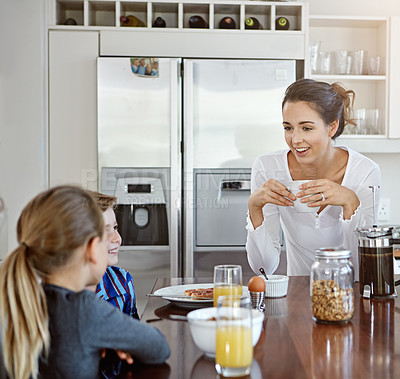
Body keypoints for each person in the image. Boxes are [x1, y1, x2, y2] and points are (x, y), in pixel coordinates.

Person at [0, 186, 170, 379]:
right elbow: (158, 347)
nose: (117, 238)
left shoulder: (21, 296)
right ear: (91, 249)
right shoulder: (85, 309)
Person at [246, 79, 381, 279]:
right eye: (288, 128)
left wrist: (350, 202)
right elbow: (264, 268)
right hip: (296, 296)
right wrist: (254, 208)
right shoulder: (267, 168)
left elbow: (364, 268)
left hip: (347, 297)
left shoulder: (364, 171)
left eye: (306, 128)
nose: (295, 139)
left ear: (332, 127)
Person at [89, 191, 139, 319]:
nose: (117, 238)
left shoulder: (122, 282)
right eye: (105, 231)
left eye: (115, 228)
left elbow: (133, 333)